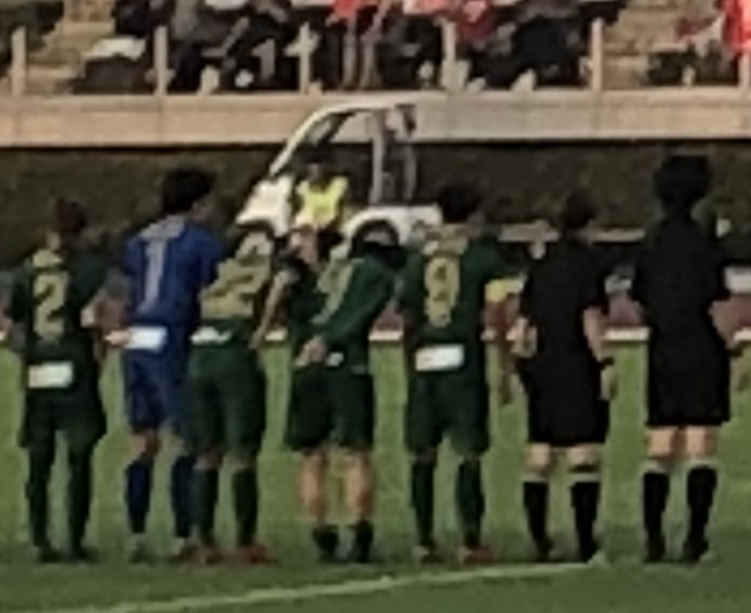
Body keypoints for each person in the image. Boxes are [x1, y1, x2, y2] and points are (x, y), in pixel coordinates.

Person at [117, 168, 231, 560]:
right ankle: (184, 534)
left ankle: (136, 534)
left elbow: (130, 288)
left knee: (143, 440)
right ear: (198, 203)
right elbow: (209, 291)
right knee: (186, 439)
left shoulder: (139, 240)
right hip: (173, 338)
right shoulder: (202, 242)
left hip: (137, 338)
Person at [630, 154, 735, 564]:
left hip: (663, 348)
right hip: (702, 349)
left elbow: (637, 301)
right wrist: (735, 348)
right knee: (700, 443)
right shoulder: (704, 244)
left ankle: (653, 538)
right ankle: (695, 537)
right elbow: (717, 302)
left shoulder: (651, 241)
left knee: (660, 444)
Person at [402, 180, 514, 565]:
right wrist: (504, 362)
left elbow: (407, 313)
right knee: (468, 452)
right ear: (474, 214)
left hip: (424, 357)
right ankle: (470, 539)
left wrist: (409, 360)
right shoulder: (483, 256)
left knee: (423, 453)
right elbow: (497, 310)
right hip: (462, 359)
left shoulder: (419, 257)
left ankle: (423, 539)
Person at [2, 202, 114, 561]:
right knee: (79, 455)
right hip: (75, 364)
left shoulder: (27, 269)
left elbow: (12, 325)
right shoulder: (89, 269)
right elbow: (95, 318)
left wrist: (26, 358)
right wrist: (99, 357)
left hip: (38, 366)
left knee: (39, 458)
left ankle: (40, 539)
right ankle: (75, 540)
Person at [512, 193, 615, 564]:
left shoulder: (542, 265)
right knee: (583, 452)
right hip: (576, 363)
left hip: (542, 363)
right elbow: (590, 317)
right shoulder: (588, 265)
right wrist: (605, 361)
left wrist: (520, 362)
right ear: (589, 225)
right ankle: (585, 541)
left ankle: (539, 539)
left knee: (540, 452)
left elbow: (523, 323)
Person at [295, 217, 404, 562]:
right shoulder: (375, 274)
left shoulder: (320, 272)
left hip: (305, 362)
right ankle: (359, 533)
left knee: (312, 455)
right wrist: (331, 340)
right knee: (356, 452)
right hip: (347, 363)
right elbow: (359, 316)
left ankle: (321, 533)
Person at [178, 222, 284, 565]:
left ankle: (204, 539)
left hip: (200, 353)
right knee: (243, 453)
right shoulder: (270, 268)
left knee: (205, 454)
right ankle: (245, 541)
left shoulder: (218, 268)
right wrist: (263, 329)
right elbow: (279, 288)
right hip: (235, 355)